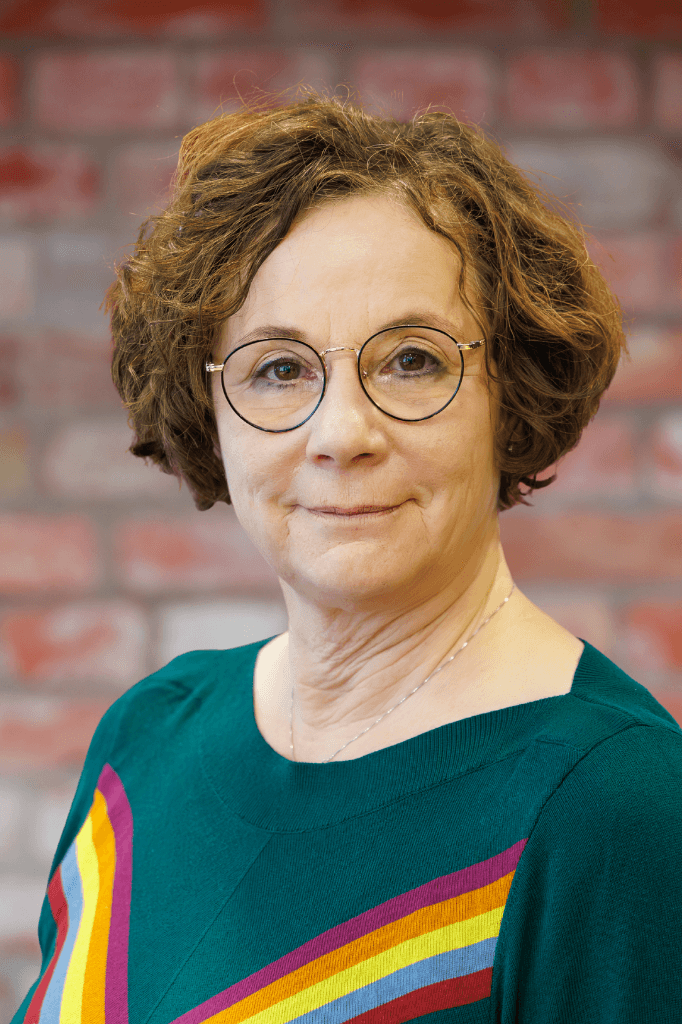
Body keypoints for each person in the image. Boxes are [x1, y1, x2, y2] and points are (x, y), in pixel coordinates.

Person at [12, 94, 682, 1024]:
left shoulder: (613, 807)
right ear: (210, 415)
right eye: (279, 368)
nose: (342, 434)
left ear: (512, 389)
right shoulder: (144, 743)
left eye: (412, 360)